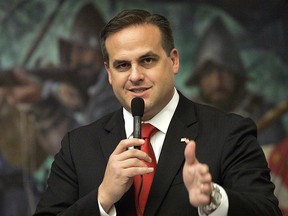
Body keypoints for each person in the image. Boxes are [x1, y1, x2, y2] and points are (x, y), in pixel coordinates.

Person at [33, 9, 281, 216]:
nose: (135, 75)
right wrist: (103, 197)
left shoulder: (230, 133)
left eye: (147, 60)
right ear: (109, 74)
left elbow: (266, 211)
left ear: (173, 61)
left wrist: (214, 199)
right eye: (122, 65)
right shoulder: (77, 146)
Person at [185, 16, 286, 147]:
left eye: (225, 70)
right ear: (199, 78)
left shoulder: (262, 112)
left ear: (236, 74)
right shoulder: (185, 115)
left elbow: (275, 162)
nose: (217, 81)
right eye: (209, 72)